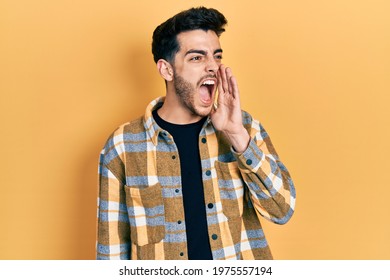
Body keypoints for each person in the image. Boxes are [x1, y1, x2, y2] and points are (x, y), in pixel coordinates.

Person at [96, 6, 296, 260]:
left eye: (217, 56)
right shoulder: (123, 146)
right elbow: (111, 250)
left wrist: (236, 136)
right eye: (197, 58)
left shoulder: (244, 128)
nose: (213, 67)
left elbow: (282, 210)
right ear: (166, 69)